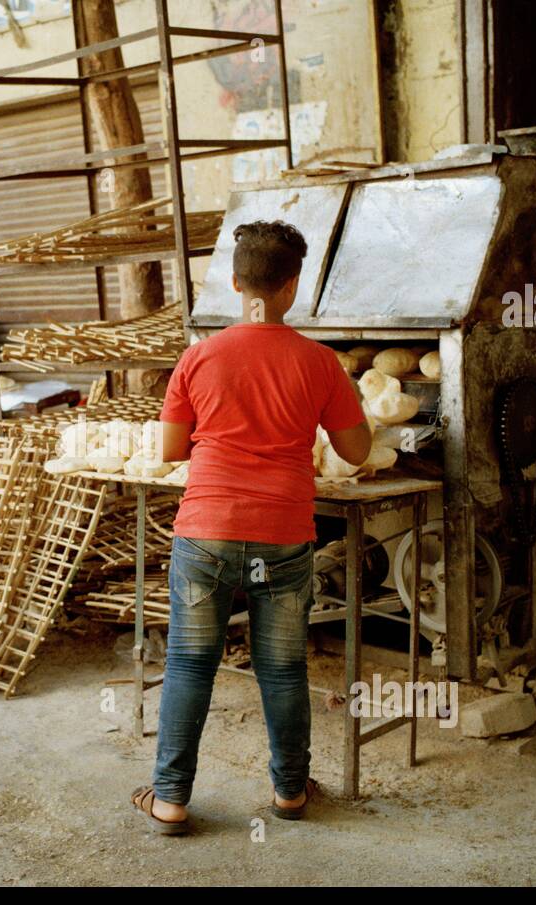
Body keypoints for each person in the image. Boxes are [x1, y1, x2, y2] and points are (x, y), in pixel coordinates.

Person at [129, 221, 372, 835]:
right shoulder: (319, 363)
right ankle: (290, 793)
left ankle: (170, 800)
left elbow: (170, 449)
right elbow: (359, 452)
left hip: (207, 529)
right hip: (283, 534)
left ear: (235, 283)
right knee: (283, 669)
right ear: (292, 287)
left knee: (189, 664)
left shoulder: (198, 357)